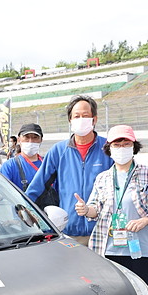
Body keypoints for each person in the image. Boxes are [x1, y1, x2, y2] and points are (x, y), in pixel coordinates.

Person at [76, 125, 148, 290]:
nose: (121, 148)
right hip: (108, 250)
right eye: (117, 145)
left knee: (143, 294)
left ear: (134, 147)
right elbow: (95, 208)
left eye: (126, 144)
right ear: (109, 148)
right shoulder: (103, 178)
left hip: (142, 250)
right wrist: (85, 210)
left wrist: (146, 220)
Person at [25, 95, 110, 245]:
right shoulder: (58, 151)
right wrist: (24, 211)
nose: (81, 119)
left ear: (94, 119)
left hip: (104, 231)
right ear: (70, 120)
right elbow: (37, 187)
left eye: (85, 115)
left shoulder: (108, 148)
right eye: (76, 116)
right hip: (70, 232)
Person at [0, 123, 60, 208]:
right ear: (19, 139)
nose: (30, 141)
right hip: (22, 215)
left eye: (35, 137)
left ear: (41, 140)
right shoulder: (10, 166)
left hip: (50, 215)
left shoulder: (49, 164)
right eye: (26, 137)